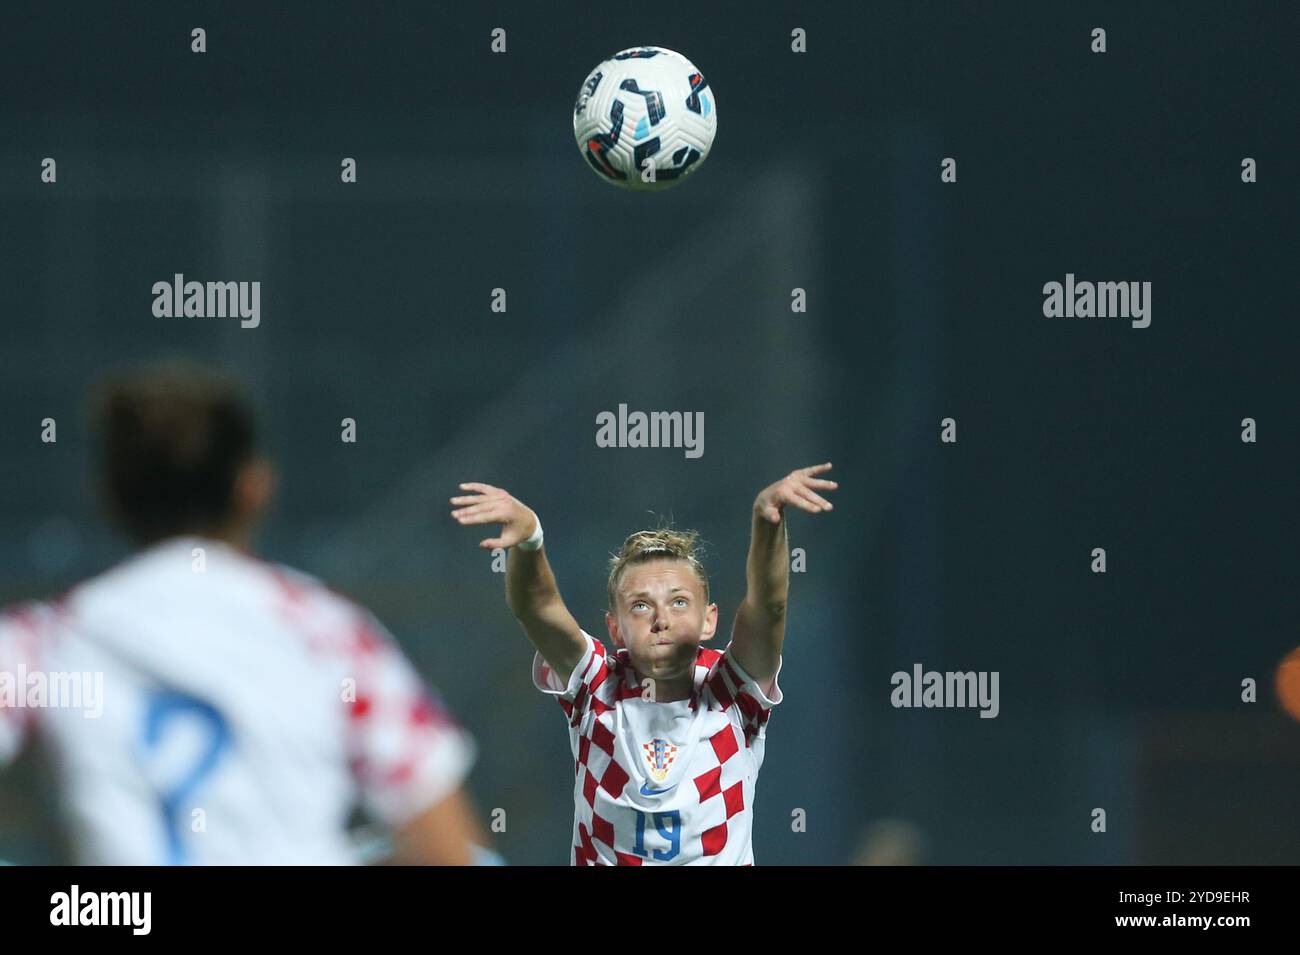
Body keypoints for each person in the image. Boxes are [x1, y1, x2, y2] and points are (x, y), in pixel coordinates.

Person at [0, 359, 484, 864]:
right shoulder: (332, 635)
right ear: (253, 487)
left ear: (108, 493)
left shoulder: (46, 640)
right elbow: (446, 852)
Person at [450, 463, 838, 864]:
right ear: (614, 628)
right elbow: (536, 606)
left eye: (679, 601)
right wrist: (530, 536)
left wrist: (767, 521)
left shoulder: (733, 692)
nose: (661, 619)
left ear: (710, 620)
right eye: (640, 606)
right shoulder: (595, 685)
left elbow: (768, 606)